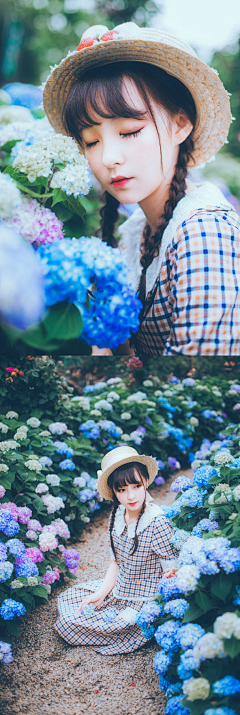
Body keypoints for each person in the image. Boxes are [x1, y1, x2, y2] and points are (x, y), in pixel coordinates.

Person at [43, 22, 240, 356]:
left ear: (180, 125)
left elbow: (202, 391)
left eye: (130, 131)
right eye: (91, 141)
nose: (108, 158)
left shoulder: (204, 234)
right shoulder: (140, 230)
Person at [54, 446, 178, 654]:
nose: (130, 496)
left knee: (73, 624)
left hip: (144, 599)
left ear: (146, 481)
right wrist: (102, 593)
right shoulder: (117, 516)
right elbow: (116, 562)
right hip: (120, 589)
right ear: (114, 491)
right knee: (71, 598)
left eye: (136, 486)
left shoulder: (156, 522)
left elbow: (171, 571)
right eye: (121, 490)